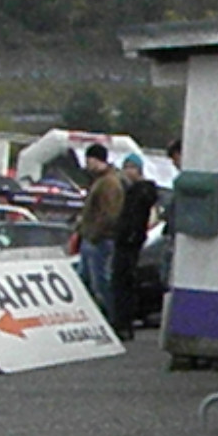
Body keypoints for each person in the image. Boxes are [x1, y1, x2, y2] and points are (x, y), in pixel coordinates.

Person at [68, 143, 125, 313]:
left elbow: (109, 213)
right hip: (93, 238)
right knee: (86, 280)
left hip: (99, 240)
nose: (87, 165)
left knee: (100, 282)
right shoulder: (102, 181)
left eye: (89, 160)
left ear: (96, 159)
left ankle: (111, 315)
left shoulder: (108, 183)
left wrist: (93, 234)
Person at [109, 158, 158, 338]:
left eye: (129, 168)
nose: (126, 172)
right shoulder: (138, 192)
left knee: (122, 282)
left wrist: (127, 234)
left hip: (128, 241)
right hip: (130, 240)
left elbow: (132, 217)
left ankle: (122, 322)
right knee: (123, 282)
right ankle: (123, 322)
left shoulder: (138, 193)